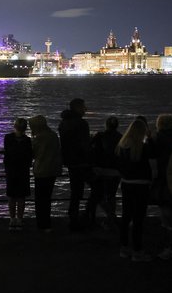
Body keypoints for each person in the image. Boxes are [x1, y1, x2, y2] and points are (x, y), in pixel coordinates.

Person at [117, 119, 155, 262]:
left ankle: (124, 248)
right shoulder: (144, 147)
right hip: (141, 185)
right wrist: (150, 139)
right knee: (138, 220)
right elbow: (153, 160)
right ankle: (137, 251)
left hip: (126, 184)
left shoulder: (122, 147)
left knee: (126, 217)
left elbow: (119, 166)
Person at [58, 98, 92, 231]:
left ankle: (74, 218)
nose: (86, 109)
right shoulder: (81, 124)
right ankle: (86, 215)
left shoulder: (63, 123)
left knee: (75, 192)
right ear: (77, 108)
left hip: (70, 162)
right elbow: (84, 145)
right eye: (84, 107)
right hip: (82, 162)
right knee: (98, 188)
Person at [87, 116, 122, 228]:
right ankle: (111, 218)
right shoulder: (121, 137)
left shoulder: (100, 136)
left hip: (100, 171)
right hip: (116, 171)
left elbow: (90, 148)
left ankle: (95, 218)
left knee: (97, 195)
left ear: (106, 125)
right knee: (111, 195)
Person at [29, 115, 62, 232]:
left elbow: (32, 154)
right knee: (47, 197)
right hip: (52, 170)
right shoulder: (53, 136)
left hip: (41, 171)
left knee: (40, 199)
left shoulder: (39, 138)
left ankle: (41, 223)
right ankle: (47, 223)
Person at [153, 114, 172, 232]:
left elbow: (153, 153)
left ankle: (167, 225)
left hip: (164, 172)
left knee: (163, 200)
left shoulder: (159, 137)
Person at [3, 118, 33, 231]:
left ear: (14, 126)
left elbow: (7, 153)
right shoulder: (27, 140)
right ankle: (19, 219)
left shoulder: (8, 138)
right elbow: (29, 155)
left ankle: (12, 219)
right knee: (21, 196)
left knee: (11, 196)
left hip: (11, 170)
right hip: (23, 170)